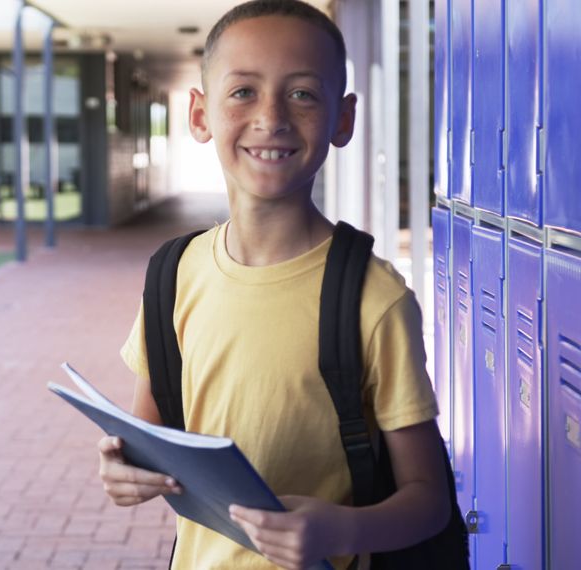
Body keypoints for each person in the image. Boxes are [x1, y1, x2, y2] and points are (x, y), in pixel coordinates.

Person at [98, 1, 452, 568]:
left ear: (343, 119)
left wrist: (345, 530)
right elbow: (152, 438)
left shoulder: (373, 299)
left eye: (303, 94)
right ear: (199, 113)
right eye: (242, 92)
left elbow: (429, 501)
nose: (272, 117)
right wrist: (123, 467)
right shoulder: (173, 273)